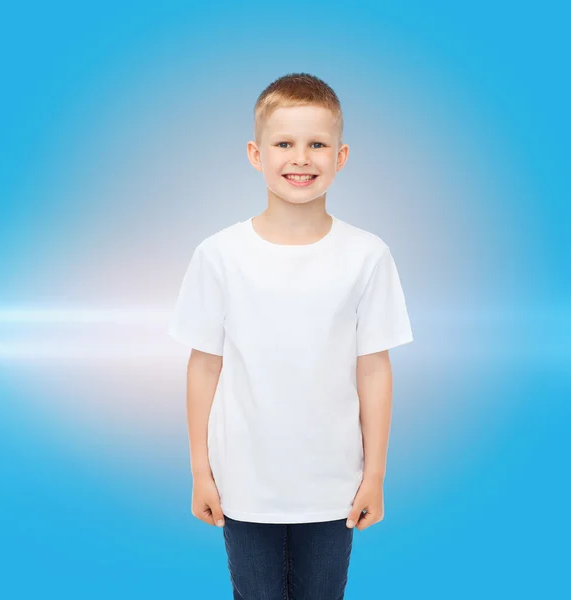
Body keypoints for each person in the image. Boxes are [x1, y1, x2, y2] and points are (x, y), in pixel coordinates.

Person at [168, 72, 414, 599]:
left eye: (316, 144)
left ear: (341, 156)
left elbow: (373, 369)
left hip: (334, 487)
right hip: (245, 485)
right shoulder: (220, 255)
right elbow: (204, 364)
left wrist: (376, 475)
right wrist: (200, 472)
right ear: (256, 154)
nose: (300, 158)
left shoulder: (367, 256)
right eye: (284, 143)